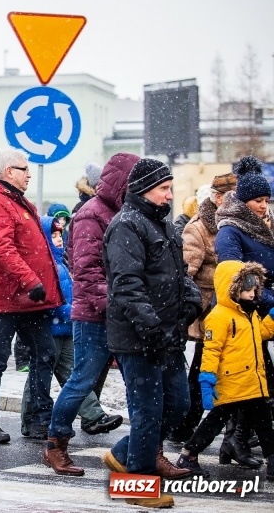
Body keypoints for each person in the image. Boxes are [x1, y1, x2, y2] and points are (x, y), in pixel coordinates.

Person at [102, 158, 202, 508]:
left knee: (178, 405)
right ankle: (136, 485)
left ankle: (122, 454)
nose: (169, 195)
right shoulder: (126, 226)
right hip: (138, 338)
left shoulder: (164, 225)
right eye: (164, 189)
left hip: (169, 334)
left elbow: (180, 275)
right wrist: (151, 328)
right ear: (144, 189)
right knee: (148, 410)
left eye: (170, 188)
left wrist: (191, 301)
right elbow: (127, 286)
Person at [43, 152, 138, 474]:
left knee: (137, 383)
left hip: (124, 314)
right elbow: (86, 270)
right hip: (95, 316)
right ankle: (55, 445)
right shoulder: (90, 215)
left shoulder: (126, 213)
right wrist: (115, 306)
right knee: (81, 380)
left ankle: (144, 448)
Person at [0, 147, 62, 444]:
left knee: (45, 353)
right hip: (5, 298)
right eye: (24, 170)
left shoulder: (17, 200)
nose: (29, 175)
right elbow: (2, 248)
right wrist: (29, 279)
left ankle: (40, 420)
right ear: (9, 172)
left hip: (30, 299)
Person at [175, 260, 274, 482]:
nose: (251, 294)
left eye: (254, 289)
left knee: (264, 423)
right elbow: (211, 351)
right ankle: (189, 454)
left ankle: (272, 462)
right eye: (247, 290)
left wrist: (272, 318)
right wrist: (207, 381)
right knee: (215, 422)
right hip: (231, 383)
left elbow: (261, 333)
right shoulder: (219, 316)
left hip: (251, 381)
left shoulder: (249, 313)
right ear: (232, 289)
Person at [27, 217, 119, 445]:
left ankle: (93, 416)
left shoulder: (61, 263)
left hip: (65, 329)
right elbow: (51, 299)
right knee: (39, 377)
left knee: (74, 375)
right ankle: (31, 421)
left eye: (60, 235)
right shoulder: (44, 264)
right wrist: (74, 310)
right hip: (50, 329)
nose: (59, 240)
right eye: (54, 236)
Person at [213, 155, 274, 467]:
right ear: (244, 202)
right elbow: (236, 277)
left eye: (266, 200)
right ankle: (224, 443)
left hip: (259, 316)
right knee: (248, 385)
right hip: (242, 317)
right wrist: (269, 298)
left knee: (255, 384)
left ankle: (233, 443)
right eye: (258, 201)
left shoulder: (261, 227)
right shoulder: (230, 231)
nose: (264, 206)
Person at [168, 172, 236, 444]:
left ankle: (238, 433)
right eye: (230, 197)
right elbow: (185, 273)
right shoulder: (198, 228)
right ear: (217, 198)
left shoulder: (237, 223)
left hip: (234, 310)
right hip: (208, 312)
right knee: (202, 369)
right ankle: (183, 426)